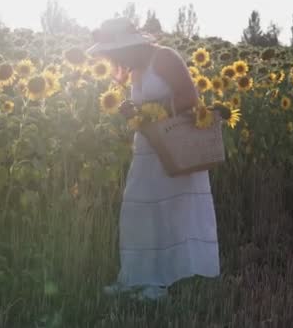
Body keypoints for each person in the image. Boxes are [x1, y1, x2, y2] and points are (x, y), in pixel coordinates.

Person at [86, 17, 220, 301]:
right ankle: (134, 278)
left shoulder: (164, 58)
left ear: (130, 46)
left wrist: (150, 108)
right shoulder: (137, 69)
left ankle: (158, 283)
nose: (113, 58)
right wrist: (132, 112)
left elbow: (190, 98)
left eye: (115, 52)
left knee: (170, 214)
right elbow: (144, 113)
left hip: (175, 146)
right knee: (139, 211)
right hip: (149, 148)